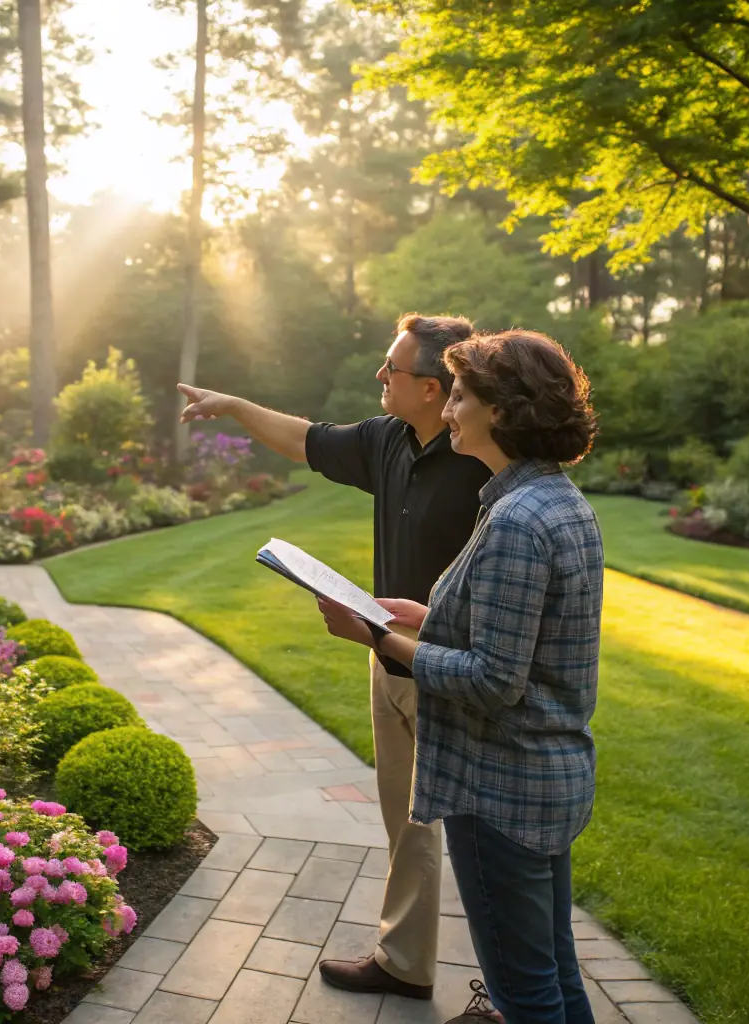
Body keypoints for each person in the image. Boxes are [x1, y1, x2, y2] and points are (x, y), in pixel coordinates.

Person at [178, 313, 492, 1001]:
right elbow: (302, 437)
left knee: (483, 840)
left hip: (459, 677)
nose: (379, 376)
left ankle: (508, 992)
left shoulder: (484, 459)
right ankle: (404, 964)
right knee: (404, 826)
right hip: (385, 662)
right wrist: (230, 405)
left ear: (434, 387)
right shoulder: (388, 439)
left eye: (393, 369)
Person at [316, 329, 603, 1024]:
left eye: (463, 397)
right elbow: (518, 640)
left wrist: (381, 636)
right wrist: (428, 612)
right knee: (554, 973)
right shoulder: (550, 500)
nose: (448, 410)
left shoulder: (516, 520)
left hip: (500, 788)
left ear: (500, 411)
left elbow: (491, 680)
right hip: (545, 779)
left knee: (524, 993)